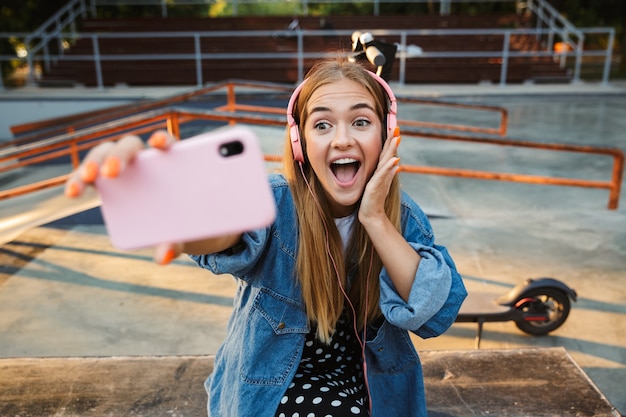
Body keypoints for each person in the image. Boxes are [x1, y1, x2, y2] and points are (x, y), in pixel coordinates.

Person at [65, 56, 467, 417]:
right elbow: (228, 233)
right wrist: (182, 216)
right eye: (322, 124)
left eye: (360, 121)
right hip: (275, 382)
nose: (342, 139)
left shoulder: (403, 215)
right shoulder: (275, 202)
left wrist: (375, 219)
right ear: (301, 144)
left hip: (370, 382)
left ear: (387, 134)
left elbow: (436, 312)